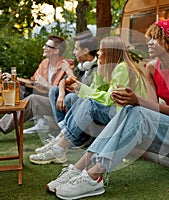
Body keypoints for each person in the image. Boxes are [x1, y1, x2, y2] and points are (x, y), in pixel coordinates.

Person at [48, 19, 169, 200]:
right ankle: (78, 168)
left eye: (155, 38)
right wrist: (132, 101)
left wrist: (137, 100)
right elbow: (152, 106)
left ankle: (95, 176)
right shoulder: (151, 67)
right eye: (149, 38)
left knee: (137, 109)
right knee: (130, 110)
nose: (149, 42)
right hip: (168, 123)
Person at [29, 36, 148, 166]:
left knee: (88, 103)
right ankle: (58, 143)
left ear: (110, 52)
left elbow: (110, 99)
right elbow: (95, 91)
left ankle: (58, 147)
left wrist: (83, 89)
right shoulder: (113, 68)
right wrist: (100, 72)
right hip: (118, 111)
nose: (97, 52)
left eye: (102, 50)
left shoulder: (123, 68)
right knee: (84, 100)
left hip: (128, 115)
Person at [0, 35, 70, 142]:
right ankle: (6, 123)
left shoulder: (66, 66)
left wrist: (46, 84)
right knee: (18, 89)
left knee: (33, 99)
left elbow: (65, 92)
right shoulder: (45, 63)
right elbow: (33, 82)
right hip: (43, 98)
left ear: (56, 51)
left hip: (57, 106)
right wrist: (15, 79)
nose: (43, 47)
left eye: (47, 46)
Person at [49, 32, 98, 125]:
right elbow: (63, 81)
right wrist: (61, 94)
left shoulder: (96, 68)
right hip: (79, 100)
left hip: (89, 103)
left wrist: (69, 71)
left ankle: (72, 131)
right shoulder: (81, 66)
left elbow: (82, 90)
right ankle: (62, 128)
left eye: (76, 49)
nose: (74, 52)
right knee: (54, 90)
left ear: (85, 51)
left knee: (70, 98)